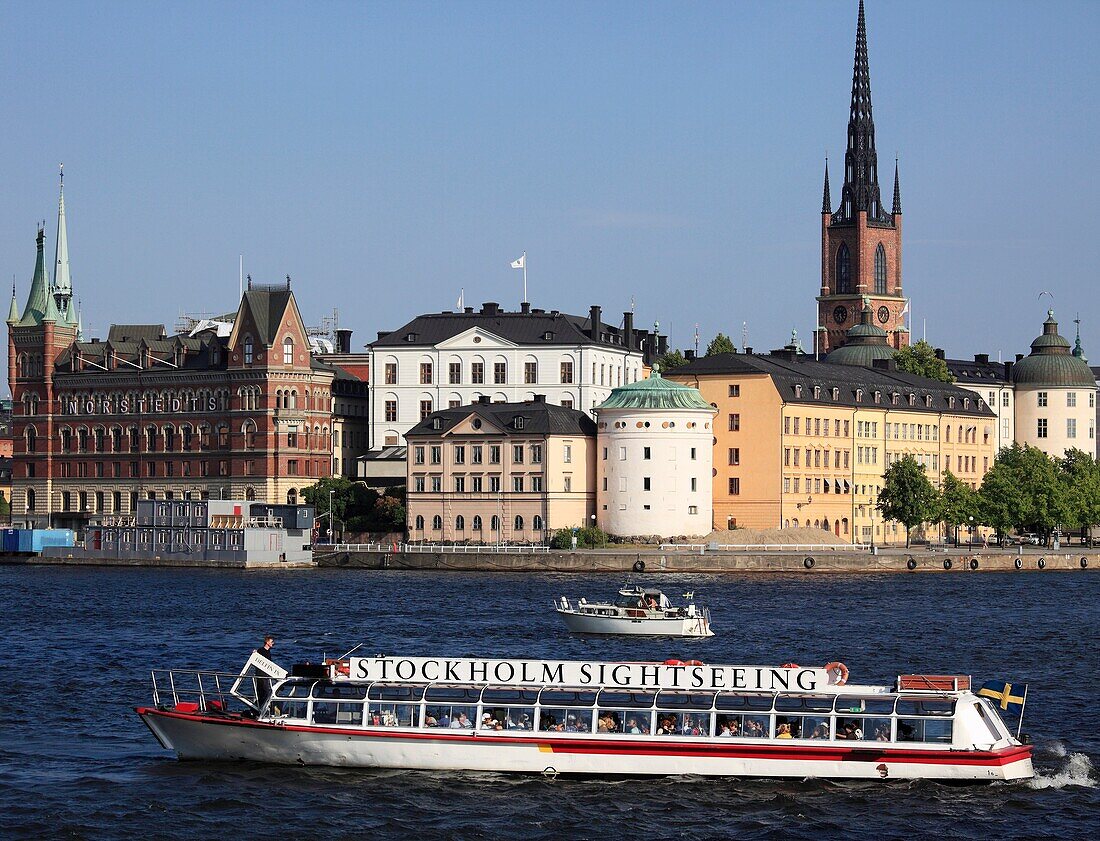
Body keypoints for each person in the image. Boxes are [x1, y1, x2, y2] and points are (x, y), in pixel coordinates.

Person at [253, 634, 277, 709]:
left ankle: (259, 708)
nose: (273, 643)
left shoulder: (268, 652)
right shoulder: (261, 650)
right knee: (263, 693)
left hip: (265, 676)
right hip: (260, 675)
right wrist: (254, 653)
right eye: (272, 641)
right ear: (267, 642)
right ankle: (256, 708)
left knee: (266, 693)